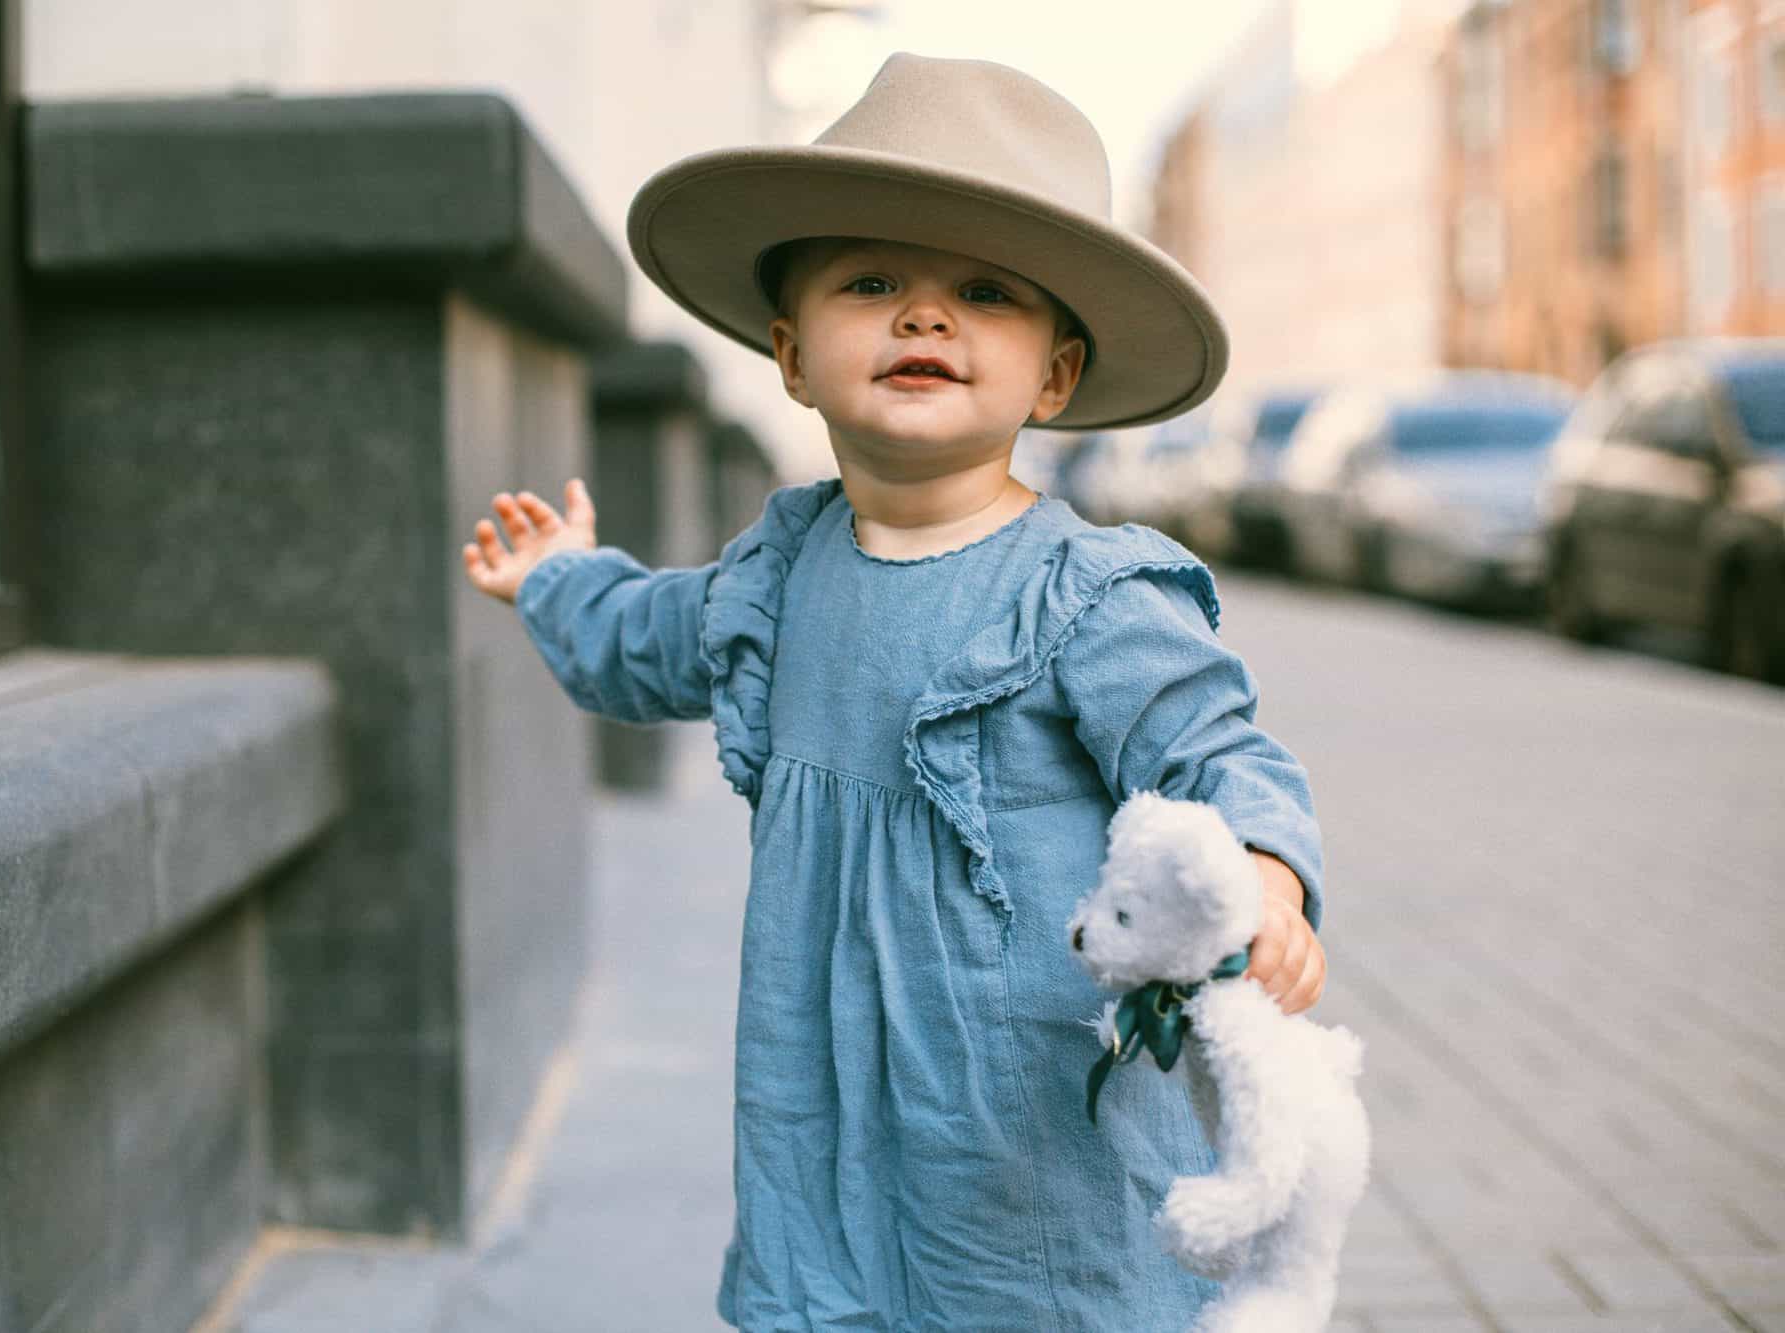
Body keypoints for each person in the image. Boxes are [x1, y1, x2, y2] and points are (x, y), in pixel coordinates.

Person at [461, 53, 1326, 1333]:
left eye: (983, 292)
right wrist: (554, 579)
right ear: (791, 354)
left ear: (1055, 377)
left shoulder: (1086, 594)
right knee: (837, 1295)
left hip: (1023, 1121)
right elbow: (644, 633)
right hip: (824, 1096)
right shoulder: (775, 574)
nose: (924, 317)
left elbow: (1213, 749)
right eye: (871, 283)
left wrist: (1264, 872)